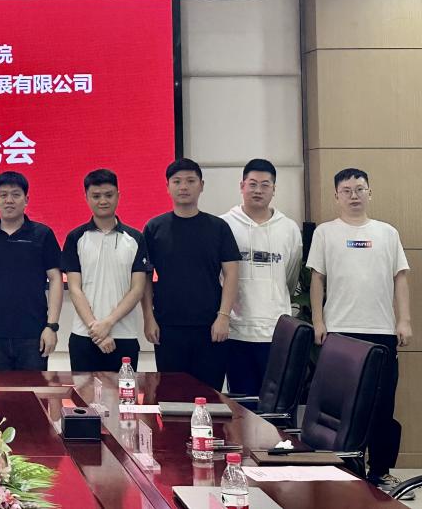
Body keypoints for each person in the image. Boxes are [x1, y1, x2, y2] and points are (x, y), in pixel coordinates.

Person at [307, 168, 411, 492]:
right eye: (347, 190)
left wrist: (404, 320)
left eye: (360, 189)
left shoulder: (387, 233)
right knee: (343, 407)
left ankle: (380, 471)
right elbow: (317, 279)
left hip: (381, 330)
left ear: (370, 192)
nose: (354, 195)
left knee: (382, 405)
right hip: (340, 332)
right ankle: (346, 471)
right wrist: (318, 321)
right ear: (336, 196)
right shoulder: (325, 233)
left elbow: (400, 278)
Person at [141, 158, 240, 390]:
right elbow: (144, 277)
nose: (183, 187)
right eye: (177, 181)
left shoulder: (218, 227)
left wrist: (224, 316)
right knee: (170, 394)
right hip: (167, 327)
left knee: (209, 395)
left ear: (201, 185)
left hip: (211, 326)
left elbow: (232, 273)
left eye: (190, 181)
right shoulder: (154, 228)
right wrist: (148, 318)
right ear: (167, 187)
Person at [220, 159, 302, 396]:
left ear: (274, 189)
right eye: (252, 184)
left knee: (273, 405)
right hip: (236, 331)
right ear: (242, 186)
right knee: (243, 404)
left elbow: (290, 276)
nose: (258, 190)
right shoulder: (224, 225)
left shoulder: (289, 228)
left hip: (276, 331)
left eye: (265, 185)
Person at [0, 172, 62, 371]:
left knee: (34, 389)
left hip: (34, 334)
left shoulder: (43, 234)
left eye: (16, 194)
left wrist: (51, 326)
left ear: (26, 200)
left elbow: (55, 279)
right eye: (3, 195)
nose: (9, 200)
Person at [62, 169, 151, 372]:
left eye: (108, 195)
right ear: (86, 198)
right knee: (84, 393)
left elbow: (138, 289)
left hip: (124, 335)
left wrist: (108, 323)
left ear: (118, 196)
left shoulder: (135, 238)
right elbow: (74, 289)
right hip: (84, 335)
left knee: (124, 392)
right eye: (96, 196)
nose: (103, 201)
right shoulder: (75, 237)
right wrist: (96, 328)